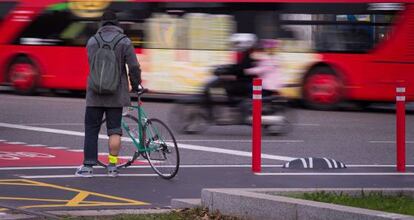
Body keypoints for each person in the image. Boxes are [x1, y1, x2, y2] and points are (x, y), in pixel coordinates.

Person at [76, 11, 141, 177]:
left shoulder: (92, 41)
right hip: (116, 94)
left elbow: (92, 65)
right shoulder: (124, 41)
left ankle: (88, 167)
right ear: (116, 24)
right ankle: (112, 167)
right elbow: (133, 66)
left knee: (91, 130)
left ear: (102, 23)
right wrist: (135, 85)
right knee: (114, 130)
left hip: (94, 94)